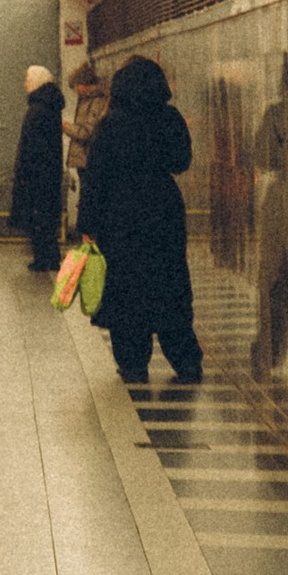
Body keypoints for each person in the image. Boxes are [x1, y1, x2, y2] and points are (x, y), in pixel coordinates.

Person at [78, 49, 203, 385]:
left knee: (126, 288)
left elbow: (97, 178)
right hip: (164, 210)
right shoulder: (170, 119)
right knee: (170, 284)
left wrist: (87, 226)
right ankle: (186, 360)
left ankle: (133, 363)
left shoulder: (112, 124)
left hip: (121, 214)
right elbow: (182, 162)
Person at [10, 60, 66, 272]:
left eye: (27, 79)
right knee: (47, 215)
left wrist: (23, 171)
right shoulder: (50, 105)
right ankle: (48, 256)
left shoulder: (38, 109)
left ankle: (44, 258)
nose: (25, 84)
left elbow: (31, 145)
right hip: (48, 171)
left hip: (37, 173)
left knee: (38, 215)